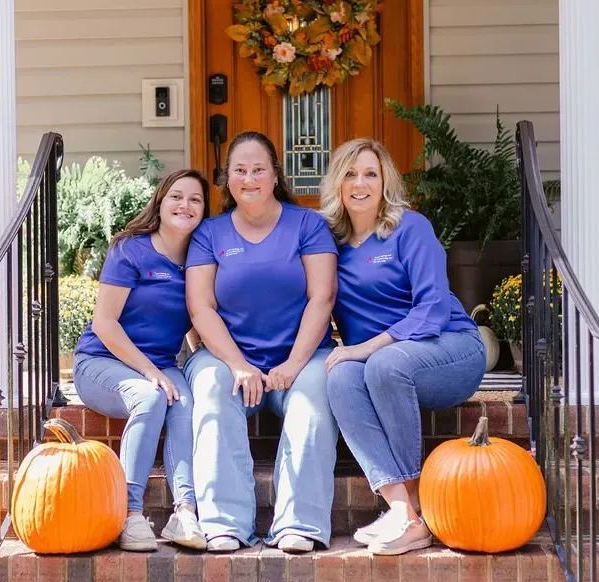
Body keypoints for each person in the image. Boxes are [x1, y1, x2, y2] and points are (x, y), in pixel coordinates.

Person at [321, 138, 486, 556]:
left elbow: (431, 309)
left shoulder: (410, 228)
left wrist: (364, 348)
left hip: (450, 348)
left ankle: (414, 514)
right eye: (351, 174)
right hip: (387, 362)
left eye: (371, 174)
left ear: (384, 183)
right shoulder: (329, 244)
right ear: (337, 184)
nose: (361, 183)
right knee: (340, 377)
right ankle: (401, 510)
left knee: (381, 365)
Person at [184, 131, 339, 554]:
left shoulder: (307, 225)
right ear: (227, 179)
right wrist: (237, 365)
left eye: (257, 169)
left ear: (274, 176)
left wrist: (292, 364)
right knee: (212, 391)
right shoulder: (209, 234)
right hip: (228, 358)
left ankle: (299, 523)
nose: (248, 178)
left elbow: (321, 297)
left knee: (313, 399)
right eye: (239, 170)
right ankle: (224, 523)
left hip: (301, 357)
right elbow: (202, 310)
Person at [73, 169, 210, 552]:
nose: (185, 205)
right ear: (161, 202)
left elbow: (197, 316)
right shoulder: (130, 249)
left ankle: (185, 512)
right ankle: (129, 514)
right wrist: (149, 371)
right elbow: (104, 323)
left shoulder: (199, 259)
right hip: (102, 361)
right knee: (150, 397)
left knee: (185, 402)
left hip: (162, 364)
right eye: (177, 197)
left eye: (195, 199)